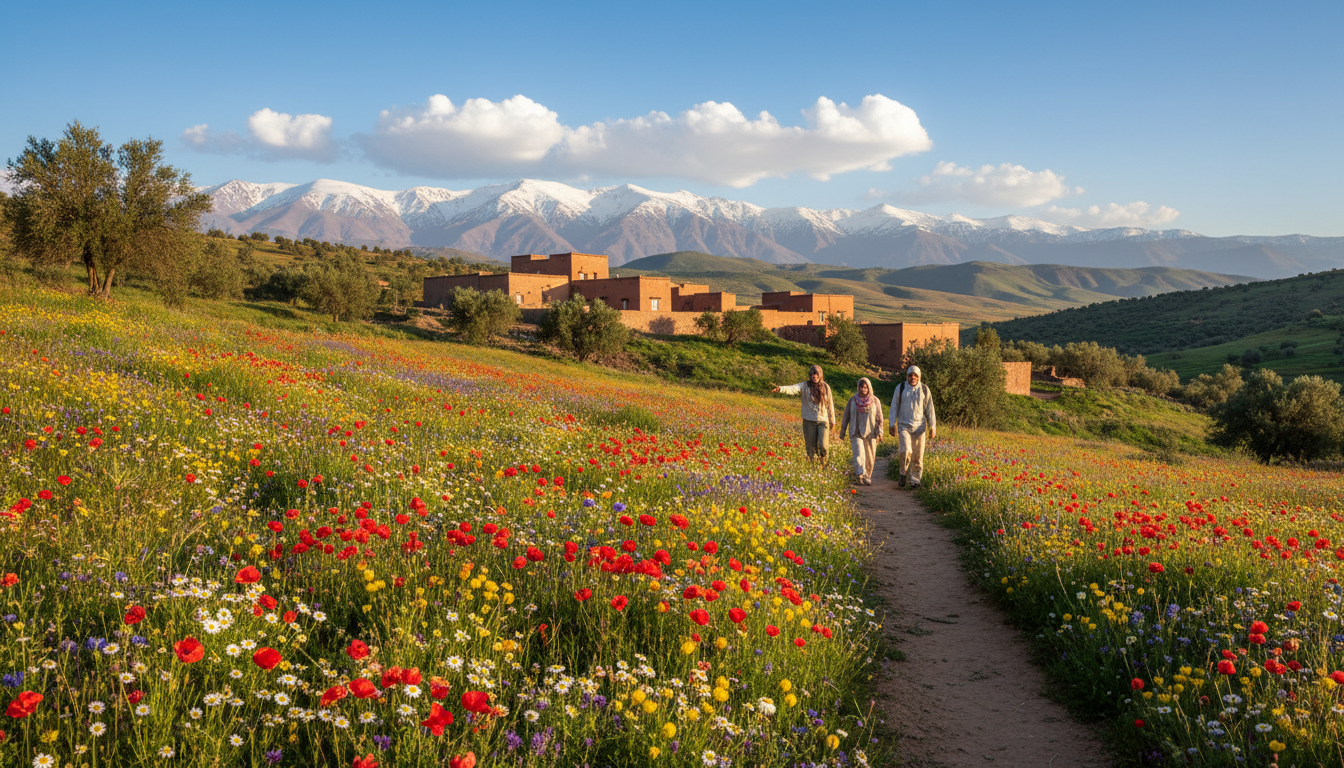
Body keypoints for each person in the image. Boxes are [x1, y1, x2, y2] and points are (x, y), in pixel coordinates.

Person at [771, 365, 837, 468]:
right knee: (811, 448)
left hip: (823, 420)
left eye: (816, 374)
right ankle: (813, 467)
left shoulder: (825, 387)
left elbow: (830, 404)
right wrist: (781, 389)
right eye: (812, 374)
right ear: (810, 375)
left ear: (820, 375)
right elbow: (793, 388)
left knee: (823, 446)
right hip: (809, 420)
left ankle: (823, 464)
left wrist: (832, 420)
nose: (814, 376)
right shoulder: (805, 385)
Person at [888, 365, 936, 489]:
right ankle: (902, 473)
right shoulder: (901, 388)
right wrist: (891, 424)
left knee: (918, 456)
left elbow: (930, 409)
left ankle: (915, 480)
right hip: (904, 425)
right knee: (906, 450)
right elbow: (894, 406)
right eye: (910, 375)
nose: (913, 378)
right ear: (907, 376)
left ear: (919, 377)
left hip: (920, 427)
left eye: (915, 375)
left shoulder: (924, 389)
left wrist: (933, 426)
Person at [839, 377, 884, 485]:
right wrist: (842, 431)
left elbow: (879, 418)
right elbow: (846, 416)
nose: (863, 389)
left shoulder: (875, 401)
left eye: (865, 387)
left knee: (870, 457)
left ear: (869, 388)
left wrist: (880, 432)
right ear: (858, 388)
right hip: (856, 431)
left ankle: (867, 476)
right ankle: (860, 474)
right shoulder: (853, 400)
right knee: (859, 454)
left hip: (870, 433)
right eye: (861, 387)